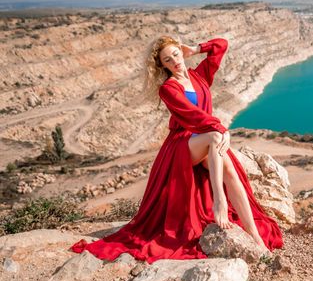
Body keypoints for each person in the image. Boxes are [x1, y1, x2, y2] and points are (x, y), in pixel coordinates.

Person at [69, 36, 283, 263]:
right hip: (183, 144)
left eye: (176, 54)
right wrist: (222, 130)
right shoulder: (168, 89)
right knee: (214, 137)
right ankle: (219, 200)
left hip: (207, 137)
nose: (175, 61)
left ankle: (255, 236)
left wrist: (195, 49)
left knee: (230, 170)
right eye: (167, 60)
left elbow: (221, 45)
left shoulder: (199, 76)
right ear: (162, 66)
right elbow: (194, 117)